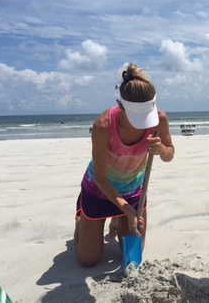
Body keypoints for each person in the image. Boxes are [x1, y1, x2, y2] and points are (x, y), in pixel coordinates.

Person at [74, 63, 175, 268]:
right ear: (120, 105)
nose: (144, 124)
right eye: (137, 118)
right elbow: (101, 178)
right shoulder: (103, 126)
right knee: (88, 260)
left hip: (133, 190)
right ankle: (81, 216)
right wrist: (128, 211)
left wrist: (162, 150)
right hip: (99, 189)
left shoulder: (159, 120)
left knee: (131, 256)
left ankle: (118, 218)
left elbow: (169, 154)